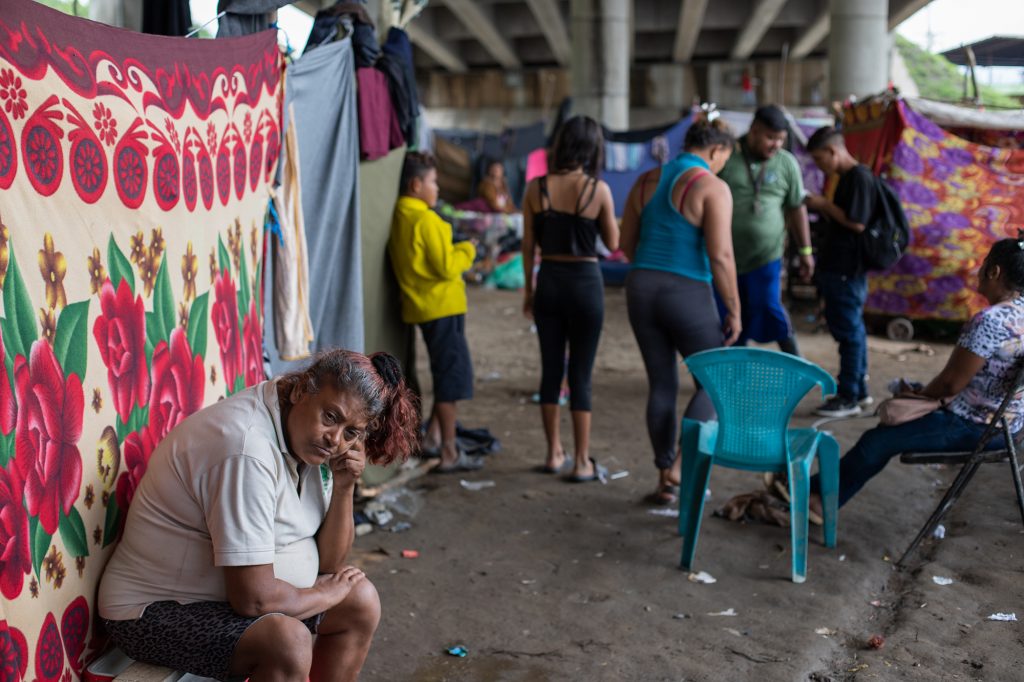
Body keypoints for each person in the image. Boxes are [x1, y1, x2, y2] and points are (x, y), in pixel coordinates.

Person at [97, 350, 420, 682]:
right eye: (331, 416)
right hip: (152, 614)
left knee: (359, 602)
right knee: (287, 643)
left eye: (352, 432)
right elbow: (253, 600)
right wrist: (325, 593)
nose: (335, 439)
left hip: (227, 601)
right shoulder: (246, 448)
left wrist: (344, 488)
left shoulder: (307, 439)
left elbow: (330, 565)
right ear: (300, 391)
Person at [809, 238, 1024, 512]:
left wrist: (920, 396)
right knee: (892, 423)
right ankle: (818, 490)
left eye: (983, 265)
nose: (979, 271)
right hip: (1009, 425)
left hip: (977, 426)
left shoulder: (990, 321)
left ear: (994, 272)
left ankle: (817, 498)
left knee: (877, 440)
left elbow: (949, 384)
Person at [620, 117, 741, 504]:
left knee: (662, 383)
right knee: (716, 380)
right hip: (685, 290)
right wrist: (735, 309)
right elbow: (721, 257)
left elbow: (626, 244)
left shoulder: (644, 182)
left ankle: (663, 479)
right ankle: (681, 467)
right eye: (724, 158)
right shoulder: (712, 187)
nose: (722, 165)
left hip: (641, 288)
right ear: (716, 151)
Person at [521, 115, 619, 481]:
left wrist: (529, 293)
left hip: (549, 282)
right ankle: (581, 461)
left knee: (550, 371)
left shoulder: (536, 188)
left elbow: (528, 246)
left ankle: (552, 454)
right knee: (581, 375)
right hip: (585, 286)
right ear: (593, 149)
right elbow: (613, 244)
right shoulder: (598, 190)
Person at [389, 152, 484, 472]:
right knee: (450, 379)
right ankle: (449, 451)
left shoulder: (400, 215)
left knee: (445, 372)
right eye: (433, 182)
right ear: (416, 185)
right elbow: (445, 266)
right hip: (443, 307)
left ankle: (431, 439)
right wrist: (468, 249)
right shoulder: (427, 220)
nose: (438, 189)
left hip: (422, 308)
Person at [717, 104, 814, 356]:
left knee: (769, 306)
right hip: (727, 259)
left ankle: (796, 362)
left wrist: (805, 250)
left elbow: (796, 208)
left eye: (781, 139)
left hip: (767, 257)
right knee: (731, 312)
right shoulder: (727, 156)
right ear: (754, 130)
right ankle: (736, 373)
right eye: (770, 137)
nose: (776, 145)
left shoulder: (787, 164)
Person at [805, 126, 876, 417]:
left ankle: (848, 395)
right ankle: (857, 391)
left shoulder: (858, 177)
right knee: (851, 331)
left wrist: (823, 205)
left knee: (849, 333)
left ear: (834, 151)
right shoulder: (849, 177)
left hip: (846, 270)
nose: (820, 166)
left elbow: (857, 222)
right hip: (843, 270)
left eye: (821, 159)